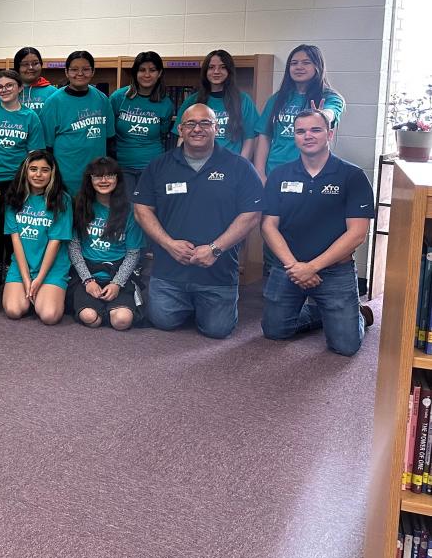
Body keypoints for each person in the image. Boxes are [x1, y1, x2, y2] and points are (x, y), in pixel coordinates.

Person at [132, 104, 263, 339]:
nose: (197, 129)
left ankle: (203, 305)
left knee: (218, 330)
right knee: (162, 320)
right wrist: (169, 244)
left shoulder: (239, 166)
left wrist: (215, 249)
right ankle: (190, 304)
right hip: (169, 273)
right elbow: (142, 210)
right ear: (180, 129)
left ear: (216, 128)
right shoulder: (159, 165)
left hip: (217, 275)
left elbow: (252, 215)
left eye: (205, 123)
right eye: (191, 124)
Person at [260, 109, 374, 356]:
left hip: (335, 271)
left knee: (345, 347)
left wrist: (312, 267)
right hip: (288, 269)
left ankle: (357, 316)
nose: (307, 136)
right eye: (300, 131)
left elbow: (357, 234)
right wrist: (295, 266)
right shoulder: (280, 175)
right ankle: (326, 313)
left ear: (329, 134)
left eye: (315, 130)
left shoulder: (352, 176)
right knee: (274, 331)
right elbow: (268, 226)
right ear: (295, 137)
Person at [0, 68, 46, 288]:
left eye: (9, 85)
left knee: (14, 225)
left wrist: (26, 182)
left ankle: (9, 264)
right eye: (0, 86)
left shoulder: (30, 117)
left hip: (19, 181)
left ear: (19, 88)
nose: (4, 90)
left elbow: (34, 155)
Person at [68, 158, 145, 330]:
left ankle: (112, 308)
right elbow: (74, 246)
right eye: (98, 176)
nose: (104, 180)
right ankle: (99, 308)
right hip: (87, 273)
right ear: (90, 179)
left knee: (122, 321)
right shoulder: (80, 205)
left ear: (118, 179)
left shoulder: (130, 210)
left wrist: (117, 283)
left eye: (109, 175)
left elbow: (133, 253)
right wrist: (88, 281)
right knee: (89, 317)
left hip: (118, 273)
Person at [254, 44, 346, 182]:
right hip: (274, 171)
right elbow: (264, 136)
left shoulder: (330, 97)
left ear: (317, 66)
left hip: (310, 173)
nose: (299, 67)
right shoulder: (277, 99)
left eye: (306, 63)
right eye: (294, 63)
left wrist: (321, 116)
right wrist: (260, 173)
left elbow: (330, 112)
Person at [2, 149, 71, 325]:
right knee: (13, 310)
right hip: (22, 264)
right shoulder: (14, 198)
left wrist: (39, 279)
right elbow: (15, 240)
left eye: (45, 170)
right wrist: (26, 279)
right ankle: (33, 294)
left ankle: (44, 294)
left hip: (51, 268)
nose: (38, 174)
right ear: (25, 171)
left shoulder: (63, 200)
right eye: (33, 169)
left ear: (52, 173)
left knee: (49, 315)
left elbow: (55, 242)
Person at [39, 50, 114, 195]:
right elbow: (46, 148)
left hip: (97, 178)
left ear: (93, 71)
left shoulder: (102, 99)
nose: (80, 73)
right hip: (65, 179)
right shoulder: (54, 102)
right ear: (66, 72)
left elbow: (110, 140)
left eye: (85, 69)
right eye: (74, 69)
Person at [176, 49, 261, 158]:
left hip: (231, 164)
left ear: (229, 71)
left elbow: (249, 138)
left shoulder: (243, 100)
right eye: (211, 67)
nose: (216, 71)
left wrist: (241, 166)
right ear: (205, 71)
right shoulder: (192, 101)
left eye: (222, 67)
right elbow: (182, 137)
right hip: (197, 163)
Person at [110, 52, 175, 191]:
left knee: (148, 209)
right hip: (122, 165)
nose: (147, 75)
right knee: (127, 209)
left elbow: (162, 134)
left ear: (159, 73)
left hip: (152, 166)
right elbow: (110, 132)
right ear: (135, 73)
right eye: (142, 70)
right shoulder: (118, 98)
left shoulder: (166, 104)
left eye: (152, 70)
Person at [14, 46, 58, 113]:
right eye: (25, 64)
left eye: (35, 63)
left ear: (41, 65)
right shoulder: (8, 91)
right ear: (17, 67)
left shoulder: (53, 92)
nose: (31, 67)